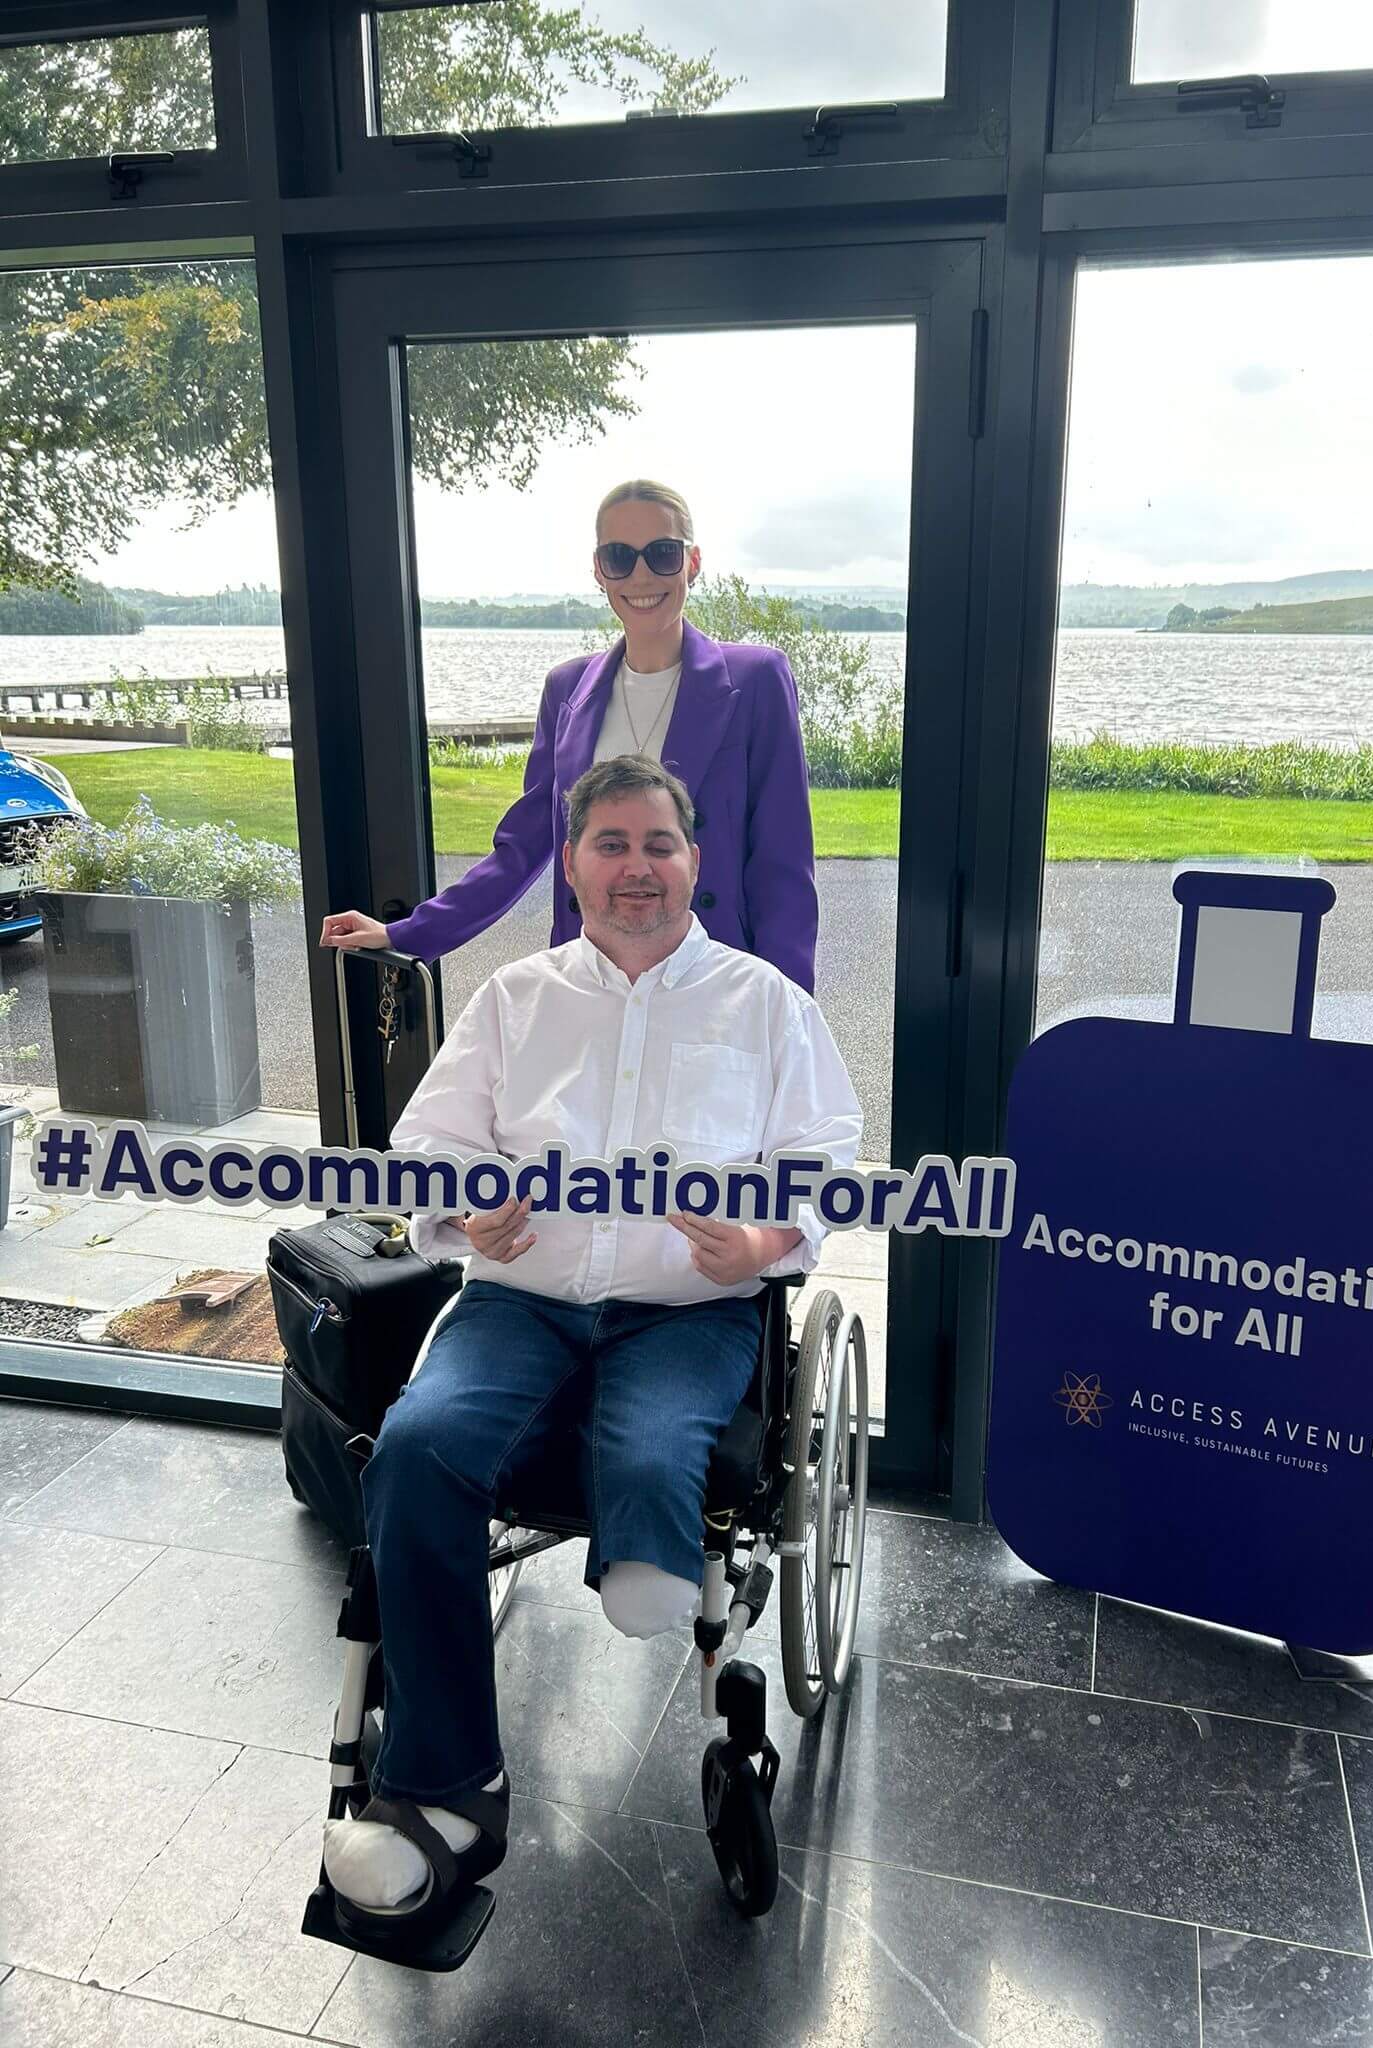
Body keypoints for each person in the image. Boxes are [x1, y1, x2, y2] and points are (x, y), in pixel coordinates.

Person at [321, 753, 861, 1937]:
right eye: (610, 844)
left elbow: (828, 1158)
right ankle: (449, 1790)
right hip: (523, 1296)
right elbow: (428, 1144)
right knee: (414, 1447)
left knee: (661, 1435)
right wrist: (469, 1207)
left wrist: (769, 1232)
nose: (635, 867)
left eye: (657, 843)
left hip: (690, 1305)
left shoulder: (766, 1004)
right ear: (573, 864)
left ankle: (649, 1541)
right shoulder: (515, 1000)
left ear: (694, 861)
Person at [319, 479, 819, 992]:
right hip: (589, 980)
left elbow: (783, 870)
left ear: (692, 562)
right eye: (620, 556)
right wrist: (407, 932)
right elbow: (521, 849)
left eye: (663, 553)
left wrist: (789, 1018)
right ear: (599, 570)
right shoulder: (566, 689)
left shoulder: (757, 680)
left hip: (712, 980)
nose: (641, 574)